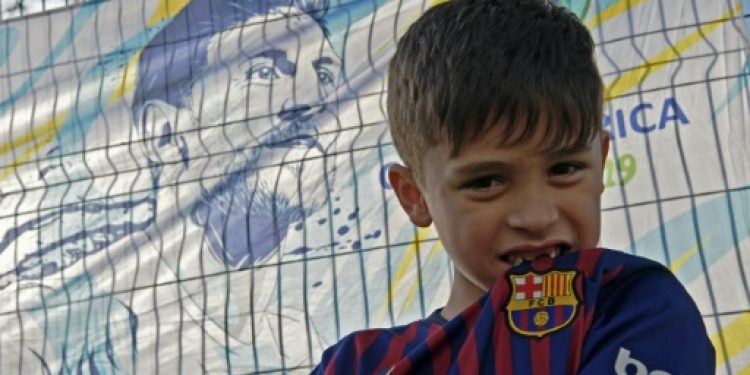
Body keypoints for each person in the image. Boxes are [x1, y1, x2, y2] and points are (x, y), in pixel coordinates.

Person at [313, 0, 715, 373]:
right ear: (414, 197)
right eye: (486, 181)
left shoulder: (633, 307)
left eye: (564, 168)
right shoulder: (358, 364)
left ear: (600, 163)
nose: (537, 217)